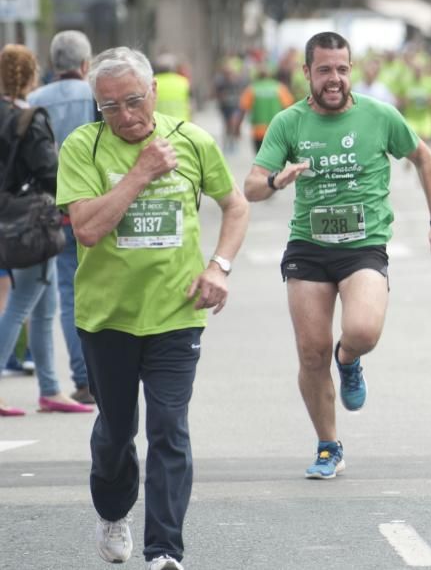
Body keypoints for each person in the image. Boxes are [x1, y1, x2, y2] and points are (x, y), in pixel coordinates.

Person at [57, 46, 249, 570]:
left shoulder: (192, 140)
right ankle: (114, 511)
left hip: (176, 314)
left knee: (169, 426)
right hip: (107, 317)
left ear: (155, 92)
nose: (123, 116)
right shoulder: (83, 147)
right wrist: (140, 173)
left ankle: (164, 550)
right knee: (117, 432)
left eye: (133, 101)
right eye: (110, 106)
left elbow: (235, 204)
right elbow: (88, 229)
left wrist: (219, 267)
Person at [243, 32, 431, 480]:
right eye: (324, 70)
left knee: (362, 331)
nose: (334, 79)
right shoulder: (289, 122)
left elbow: (425, 158)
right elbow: (251, 186)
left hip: (363, 246)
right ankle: (328, 445)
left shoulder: (379, 116)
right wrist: (280, 180)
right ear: (307, 73)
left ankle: (350, 359)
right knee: (310, 352)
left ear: (351, 69)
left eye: (341, 69)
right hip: (309, 247)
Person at [0, 44, 92, 418]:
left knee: (46, 302)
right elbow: (50, 173)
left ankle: (51, 388)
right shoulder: (27, 118)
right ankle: (50, 387)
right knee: (24, 301)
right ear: (33, 75)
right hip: (31, 221)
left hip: (7, 216)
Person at [27, 29, 99, 404]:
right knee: (102, 287)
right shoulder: (97, 96)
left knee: (67, 293)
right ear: (86, 65)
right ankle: (103, 373)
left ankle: (83, 378)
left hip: (49, 210)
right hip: (96, 209)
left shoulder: (34, 101)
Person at [236, 64, 295, 153]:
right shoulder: (279, 87)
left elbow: (243, 109)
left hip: (258, 130)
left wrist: (237, 128)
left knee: (260, 158)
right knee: (275, 159)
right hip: (276, 130)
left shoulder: (252, 88)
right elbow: (289, 109)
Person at [153, 54, 192, 122]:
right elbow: (190, 105)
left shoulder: (152, 82)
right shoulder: (183, 81)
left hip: (161, 125)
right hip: (182, 124)